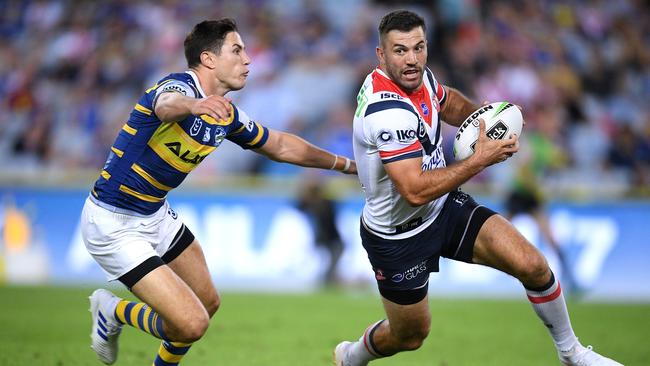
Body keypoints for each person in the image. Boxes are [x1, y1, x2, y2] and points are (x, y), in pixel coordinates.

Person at [334, 10, 620, 366]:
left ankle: (571, 353)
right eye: (400, 50)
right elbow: (414, 191)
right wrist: (479, 159)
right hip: (397, 236)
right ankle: (351, 356)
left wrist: (487, 120)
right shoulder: (386, 113)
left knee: (531, 264)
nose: (412, 59)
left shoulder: (417, 77)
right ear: (381, 55)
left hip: (443, 209)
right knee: (410, 335)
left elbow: (448, 101)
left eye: (418, 48)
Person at [81, 18, 356, 366]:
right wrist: (194, 105)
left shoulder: (226, 115)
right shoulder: (179, 86)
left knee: (207, 303)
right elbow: (165, 104)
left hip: (155, 213)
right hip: (113, 222)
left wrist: (346, 164)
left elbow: (282, 146)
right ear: (209, 59)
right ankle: (114, 310)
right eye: (237, 50)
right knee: (192, 323)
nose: (248, 60)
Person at [296, 178, 345, 286]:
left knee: (330, 261)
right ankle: (328, 280)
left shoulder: (321, 203)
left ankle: (328, 280)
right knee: (330, 261)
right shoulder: (325, 203)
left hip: (328, 238)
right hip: (329, 238)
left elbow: (299, 206)